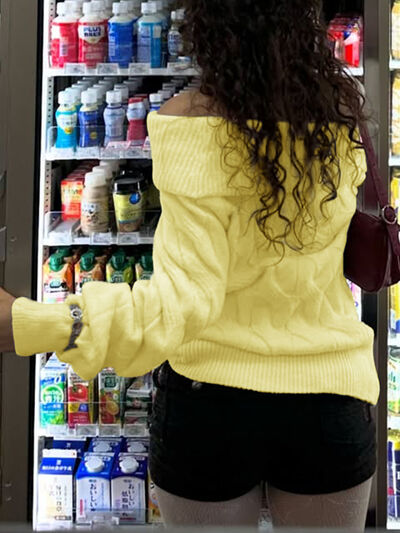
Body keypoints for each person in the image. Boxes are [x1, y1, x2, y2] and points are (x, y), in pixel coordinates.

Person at [0, 0, 379, 529]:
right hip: (330, 396)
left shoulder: (189, 122)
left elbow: (182, 303)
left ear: (206, 25)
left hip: (210, 404)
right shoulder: (338, 112)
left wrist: (35, 323)